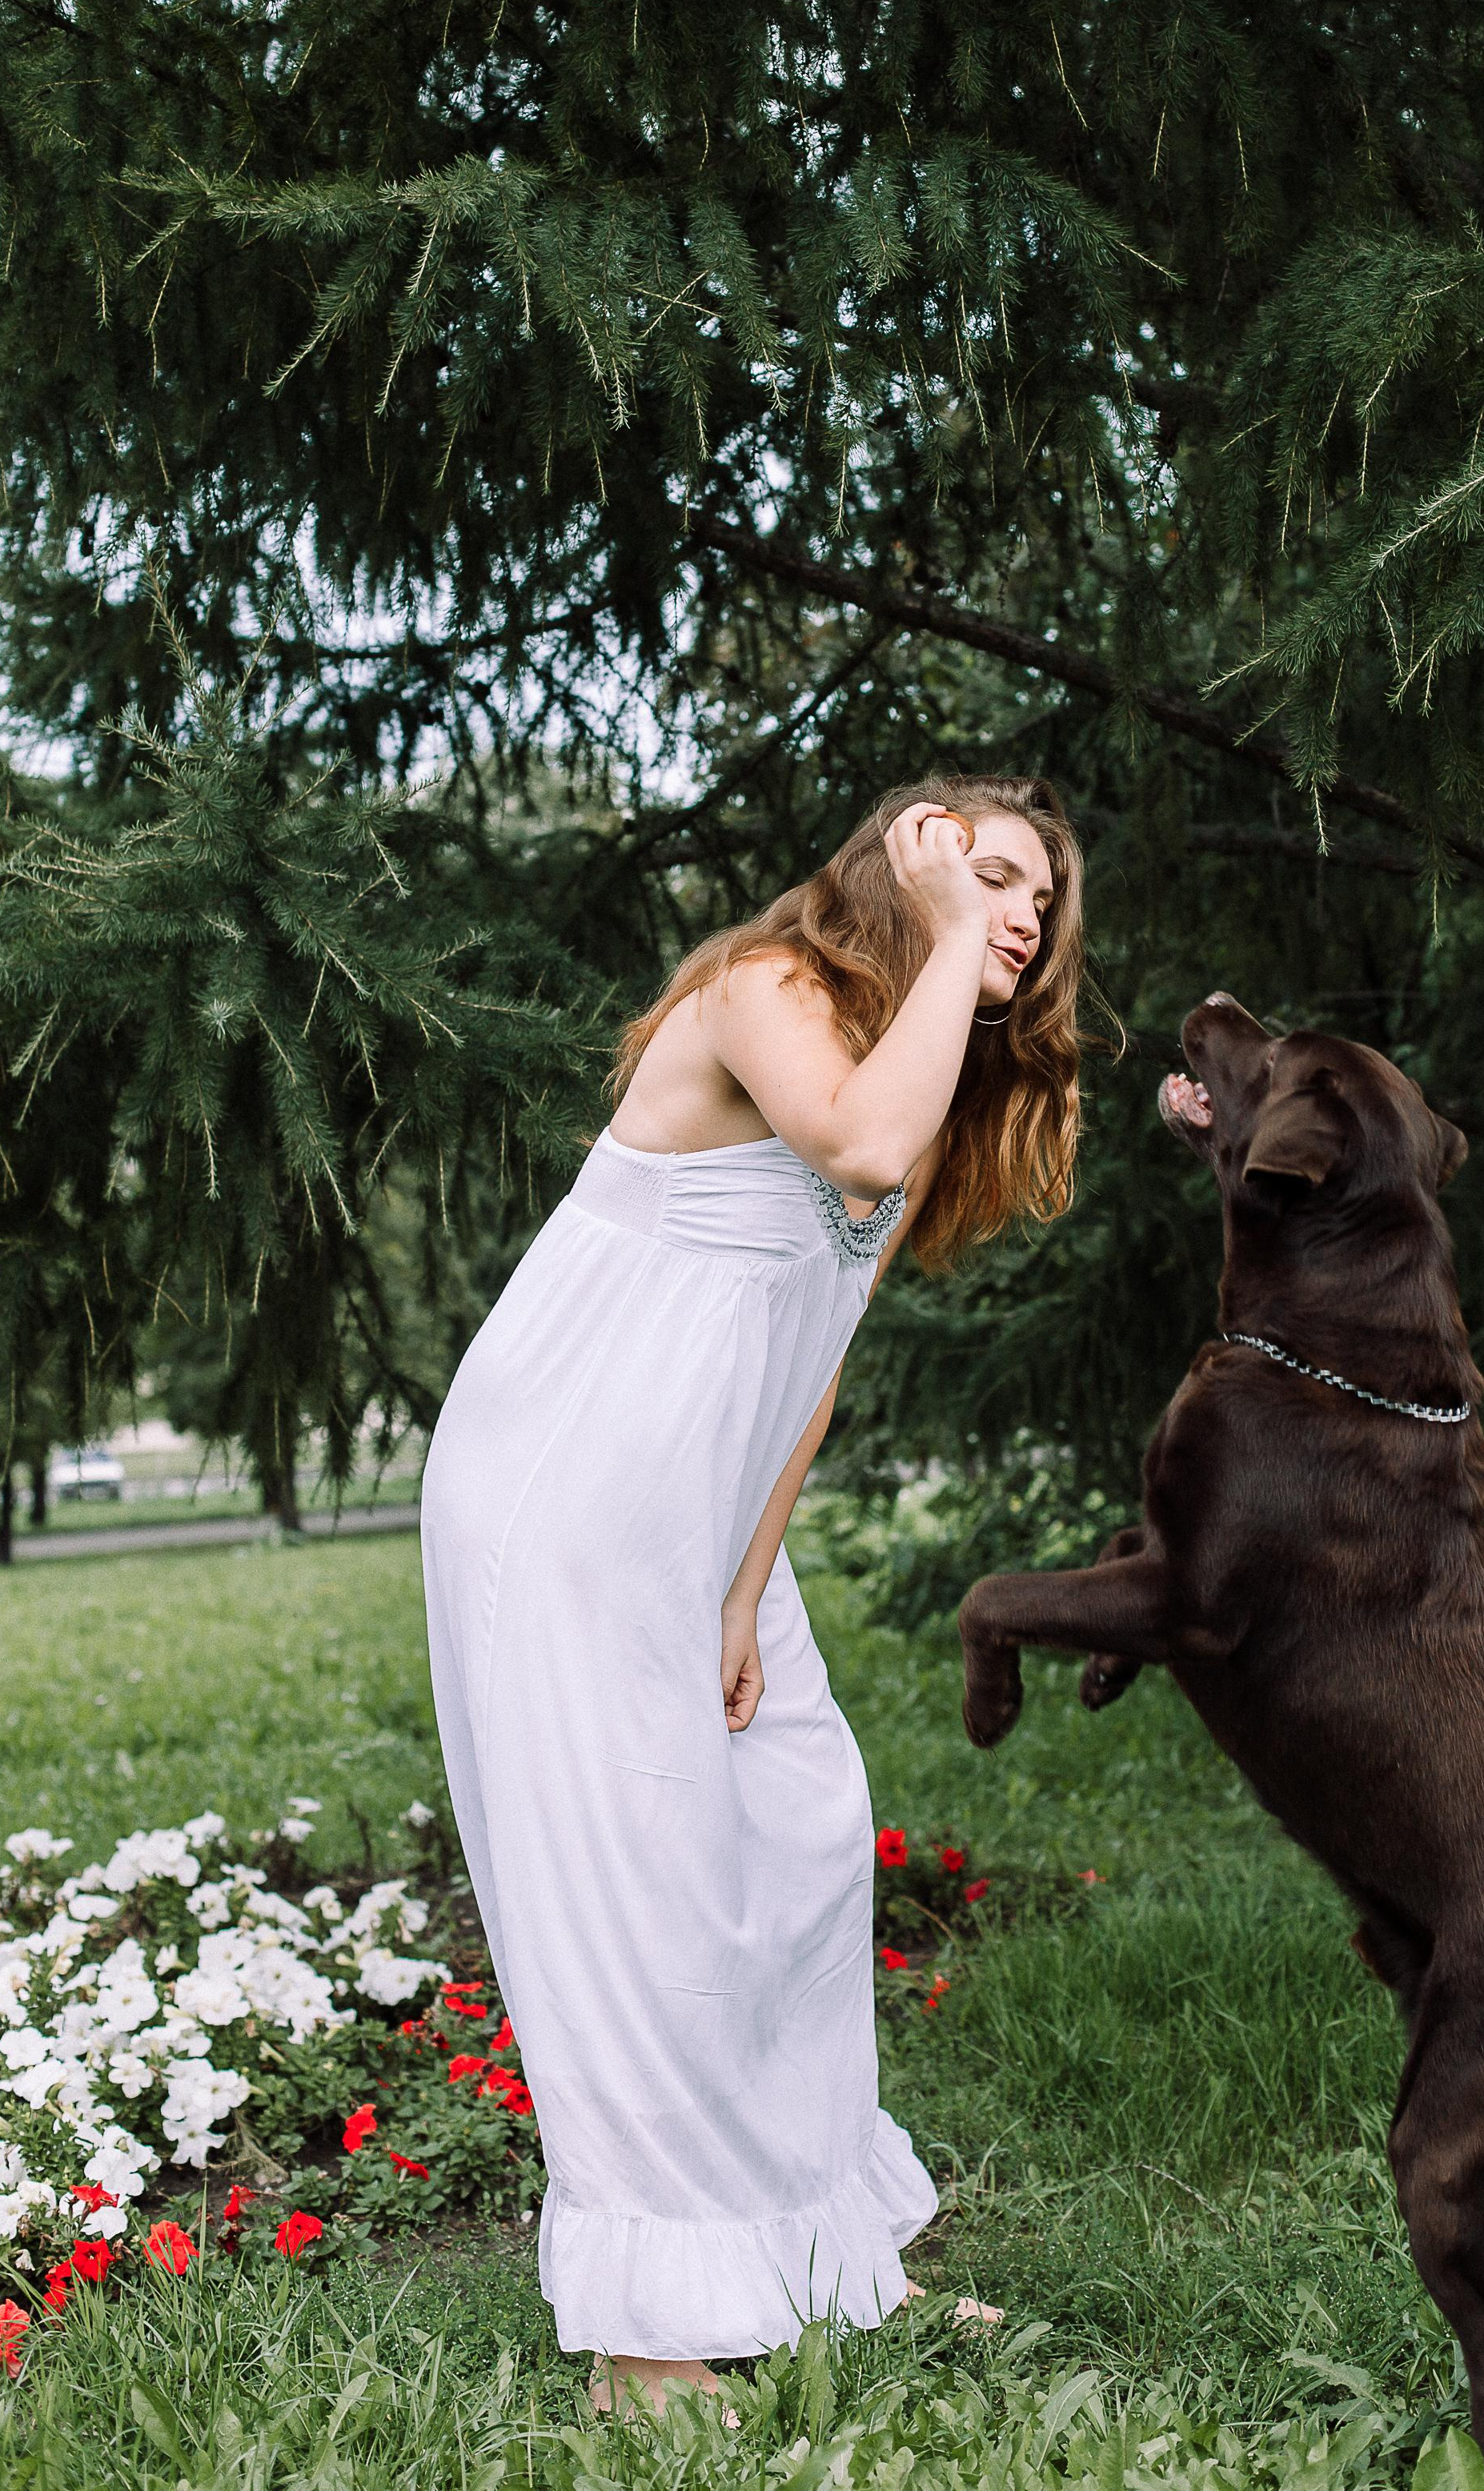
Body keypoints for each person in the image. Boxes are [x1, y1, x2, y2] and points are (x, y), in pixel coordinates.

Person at [420, 776, 1085, 2414]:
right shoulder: (768, 989)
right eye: (992, 876)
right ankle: (646, 2342)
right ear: (910, 865)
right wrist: (940, 936)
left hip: (700, 1518)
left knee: (791, 1838)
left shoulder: (924, 1071)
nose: (1020, 916)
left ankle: (823, 2258)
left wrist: (740, 1582)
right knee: (632, 1877)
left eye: (1042, 904)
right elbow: (853, 1139)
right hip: (559, 1487)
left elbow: (812, 1370)